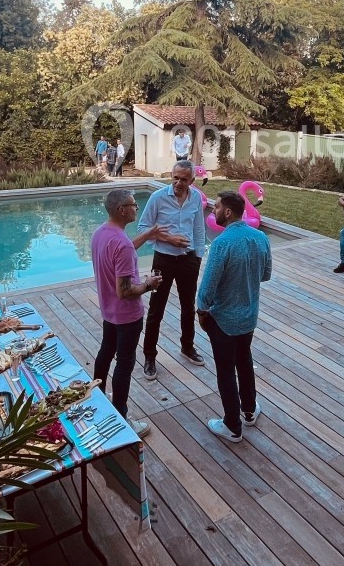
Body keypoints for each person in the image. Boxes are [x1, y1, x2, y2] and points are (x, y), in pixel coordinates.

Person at [197, 190, 272, 443]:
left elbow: (208, 287)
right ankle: (249, 410)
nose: (213, 210)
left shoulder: (221, 243)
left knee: (226, 370)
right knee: (244, 360)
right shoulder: (261, 237)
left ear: (227, 212)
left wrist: (201, 310)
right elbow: (265, 275)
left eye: (216, 207)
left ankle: (232, 425)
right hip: (249, 317)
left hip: (224, 320)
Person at [91, 189, 166, 437]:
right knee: (124, 364)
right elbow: (125, 291)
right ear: (122, 209)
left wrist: (146, 235)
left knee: (106, 351)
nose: (137, 207)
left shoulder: (102, 233)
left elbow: (122, 253)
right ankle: (121, 418)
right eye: (134, 204)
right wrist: (149, 284)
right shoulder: (120, 243)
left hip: (109, 311)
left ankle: (97, 397)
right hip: (127, 315)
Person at [138, 161, 208, 377]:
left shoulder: (195, 197)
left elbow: (198, 227)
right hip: (163, 261)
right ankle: (150, 356)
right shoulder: (157, 197)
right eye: (175, 177)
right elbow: (143, 228)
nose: (178, 182)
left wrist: (197, 257)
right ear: (171, 175)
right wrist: (168, 239)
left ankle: (187, 347)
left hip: (188, 261)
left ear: (192, 181)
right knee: (156, 309)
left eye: (184, 179)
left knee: (188, 307)